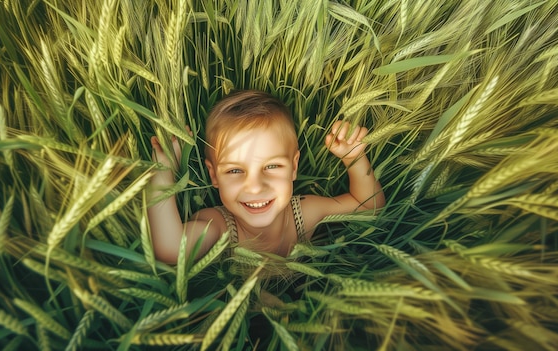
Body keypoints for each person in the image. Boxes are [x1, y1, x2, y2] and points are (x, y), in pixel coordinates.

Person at [148, 90, 385, 264]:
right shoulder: (220, 228)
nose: (255, 187)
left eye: (272, 166)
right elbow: (170, 250)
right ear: (214, 175)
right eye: (234, 170)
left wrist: (353, 158)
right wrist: (163, 173)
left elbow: (369, 207)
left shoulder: (304, 214)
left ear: (294, 167)